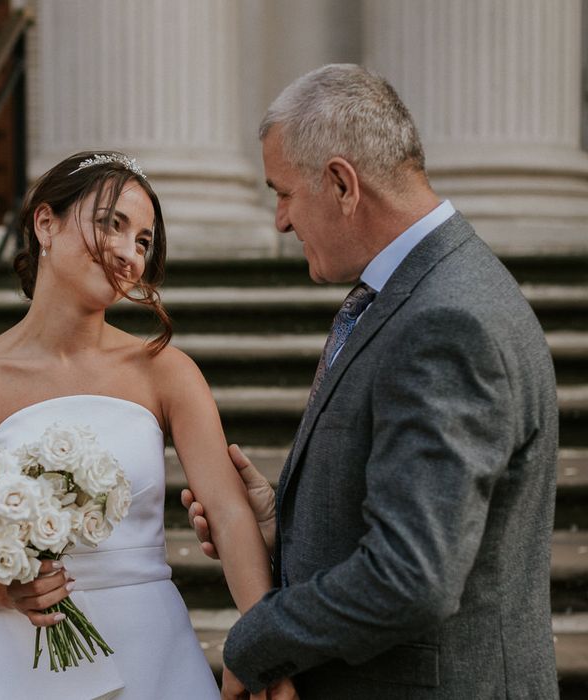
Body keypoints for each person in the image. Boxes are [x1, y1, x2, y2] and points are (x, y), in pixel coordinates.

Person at [182, 64, 559, 699]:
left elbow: (413, 578)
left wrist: (257, 642)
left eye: (282, 193)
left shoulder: (446, 320)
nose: (279, 221)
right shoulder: (427, 289)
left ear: (340, 184)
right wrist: (284, 530)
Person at [0, 151, 294, 699]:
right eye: (110, 224)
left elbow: (232, 515)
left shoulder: (166, 370)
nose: (128, 254)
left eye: (142, 241)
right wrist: (6, 589)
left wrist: (268, 647)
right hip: (26, 664)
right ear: (45, 223)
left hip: (153, 652)